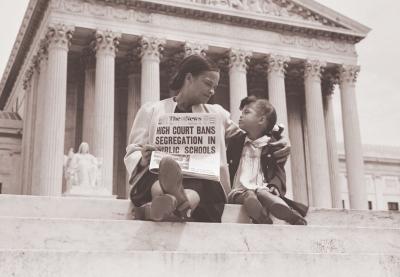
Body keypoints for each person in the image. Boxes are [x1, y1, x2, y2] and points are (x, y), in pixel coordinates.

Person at [124, 54, 291, 222]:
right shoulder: (151, 110)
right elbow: (133, 150)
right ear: (189, 78)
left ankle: (169, 203)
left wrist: (277, 138)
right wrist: (143, 159)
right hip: (158, 174)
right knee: (159, 176)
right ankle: (178, 203)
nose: (212, 91)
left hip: (203, 183)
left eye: (215, 86)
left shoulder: (217, 114)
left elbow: (249, 135)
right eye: (208, 83)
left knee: (201, 182)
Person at [227, 96, 308, 225]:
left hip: (262, 187)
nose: (241, 116)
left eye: (247, 112)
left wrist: (275, 186)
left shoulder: (272, 145)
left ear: (261, 119)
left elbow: (278, 171)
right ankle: (262, 217)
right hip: (239, 189)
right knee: (248, 195)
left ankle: (287, 213)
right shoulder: (235, 141)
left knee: (265, 194)